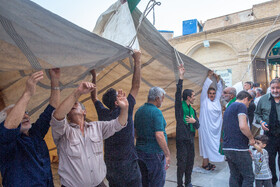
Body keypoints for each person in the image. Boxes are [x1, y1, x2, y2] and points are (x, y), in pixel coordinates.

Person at [50, 82, 129, 187]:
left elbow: (119, 124)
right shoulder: (63, 131)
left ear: (84, 111)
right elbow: (57, 116)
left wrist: (124, 109)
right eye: (71, 106)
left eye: (76, 104)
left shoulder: (97, 127)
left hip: (99, 184)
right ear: (67, 114)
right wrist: (78, 92)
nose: (73, 105)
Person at [0, 69, 60, 187]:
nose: (26, 115)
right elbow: (9, 128)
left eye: (26, 112)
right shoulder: (4, 142)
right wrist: (27, 93)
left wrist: (55, 80)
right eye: (18, 114)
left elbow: (52, 109)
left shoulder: (35, 134)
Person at [90, 50, 142, 186]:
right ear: (116, 102)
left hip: (111, 166)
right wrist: (137, 60)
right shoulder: (125, 110)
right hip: (129, 166)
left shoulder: (103, 114)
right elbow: (136, 86)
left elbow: (94, 97)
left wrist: (94, 76)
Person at [134, 87, 170, 187]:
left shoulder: (139, 111)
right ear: (157, 98)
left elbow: (135, 132)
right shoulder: (156, 112)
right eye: (162, 98)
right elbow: (159, 135)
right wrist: (167, 154)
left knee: (144, 182)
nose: (162, 101)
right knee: (156, 182)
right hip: (154, 154)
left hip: (140, 152)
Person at [223, 91, 254, 187]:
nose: (248, 106)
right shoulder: (241, 106)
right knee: (248, 177)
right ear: (245, 99)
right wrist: (251, 138)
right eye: (249, 103)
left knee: (234, 175)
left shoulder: (229, 107)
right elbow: (243, 126)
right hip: (239, 148)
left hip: (228, 147)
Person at [175, 64, 200, 187]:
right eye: (194, 96)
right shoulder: (180, 107)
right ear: (188, 97)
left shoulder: (193, 111)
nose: (195, 98)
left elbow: (198, 126)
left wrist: (194, 121)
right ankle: (179, 184)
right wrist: (181, 77)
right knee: (182, 163)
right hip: (181, 139)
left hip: (190, 138)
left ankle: (188, 182)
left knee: (190, 162)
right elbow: (178, 92)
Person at [255, 78, 280, 186]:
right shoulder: (263, 99)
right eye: (273, 88)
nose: (275, 90)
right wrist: (261, 122)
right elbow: (257, 114)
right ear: (270, 88)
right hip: (269, 136)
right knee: (270, 160)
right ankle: (273, 182)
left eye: (278, 88)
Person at [199, 70, 224, 170]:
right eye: (210, 93)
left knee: (215, 145)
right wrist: (209, 76)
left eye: (213, 93)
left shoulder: (217, 100)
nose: (212, 95)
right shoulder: (204, 101)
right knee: (206, 145)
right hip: (206, 128)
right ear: (207, 94)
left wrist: (217, 79)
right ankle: (205, 164)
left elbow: (220, 89)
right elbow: (205, 87)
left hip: (216, 129)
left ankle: (206, 163)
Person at [219, 86, 237, 155]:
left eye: (225, 93)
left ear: (231, 96)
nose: (222, 95)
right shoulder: (230, 104)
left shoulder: (233, 104)